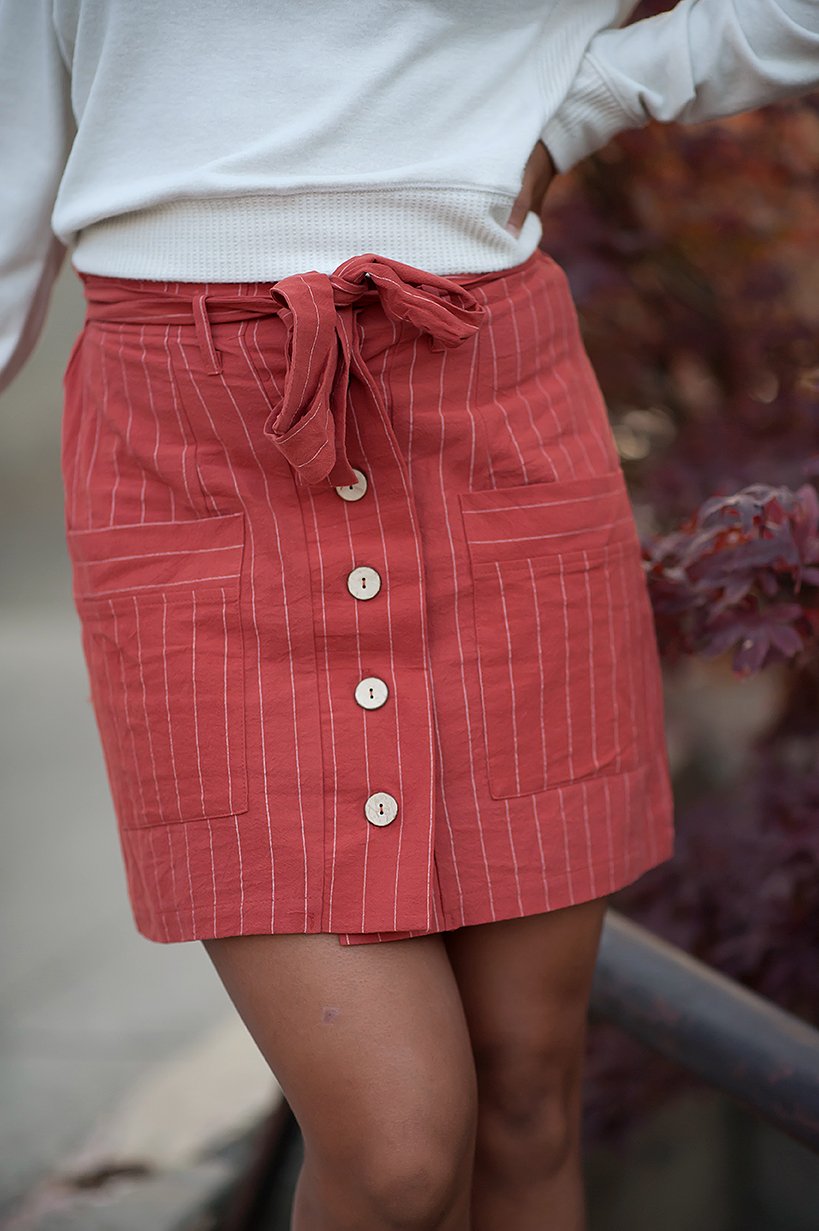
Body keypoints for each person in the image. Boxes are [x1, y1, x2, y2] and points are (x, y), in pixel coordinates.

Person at [2, 3, 818, 1228]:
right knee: (396, 1155)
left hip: (491, 411)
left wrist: (605, 90)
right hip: (192, 454)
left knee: (528, 1096)